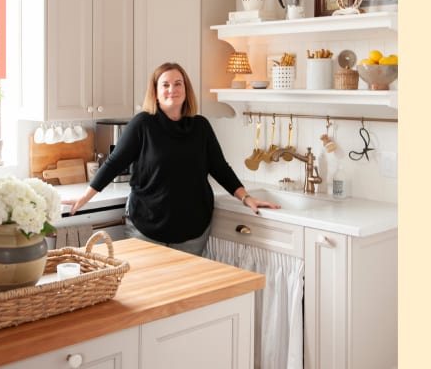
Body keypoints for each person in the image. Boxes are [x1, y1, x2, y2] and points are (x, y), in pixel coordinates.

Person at [64, 61, 280, 256]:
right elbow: (113, 163)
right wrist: (85, 197)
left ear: (186, 90)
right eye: (165, 85)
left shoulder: (201, 127)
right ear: (156, 93)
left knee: (184, 295)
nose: (172, 90)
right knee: (147, 293)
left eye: (178, 84)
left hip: (193, 232)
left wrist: (245, 197)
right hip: (146, 228)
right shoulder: (143, 125)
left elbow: (220, 167)